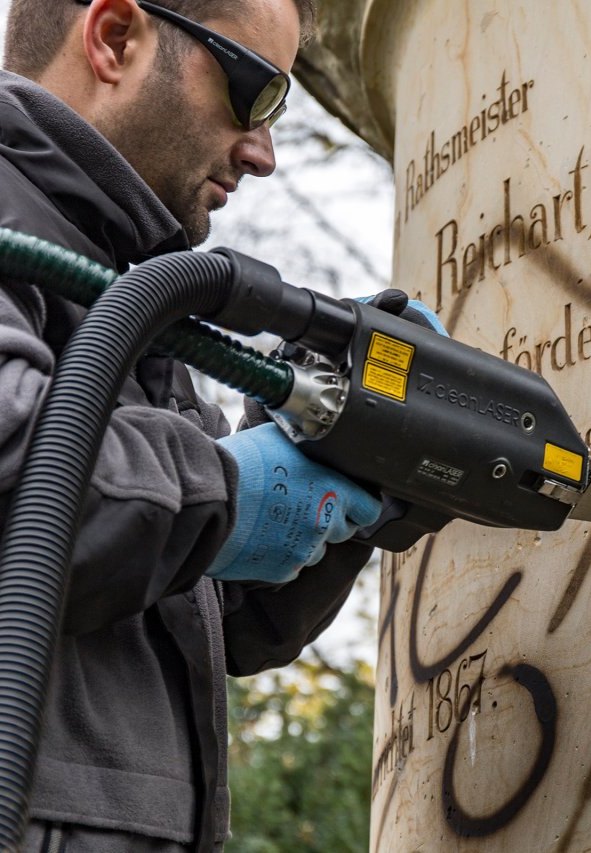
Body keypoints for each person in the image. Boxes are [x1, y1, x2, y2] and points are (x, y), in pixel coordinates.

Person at [0, 1, 393, 849]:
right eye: (253, 93)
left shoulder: (135, 310)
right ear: (114, 37)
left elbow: (213, 609)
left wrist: (362, 455)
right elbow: (18, 481)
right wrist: (231, 488)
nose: (264, 152)